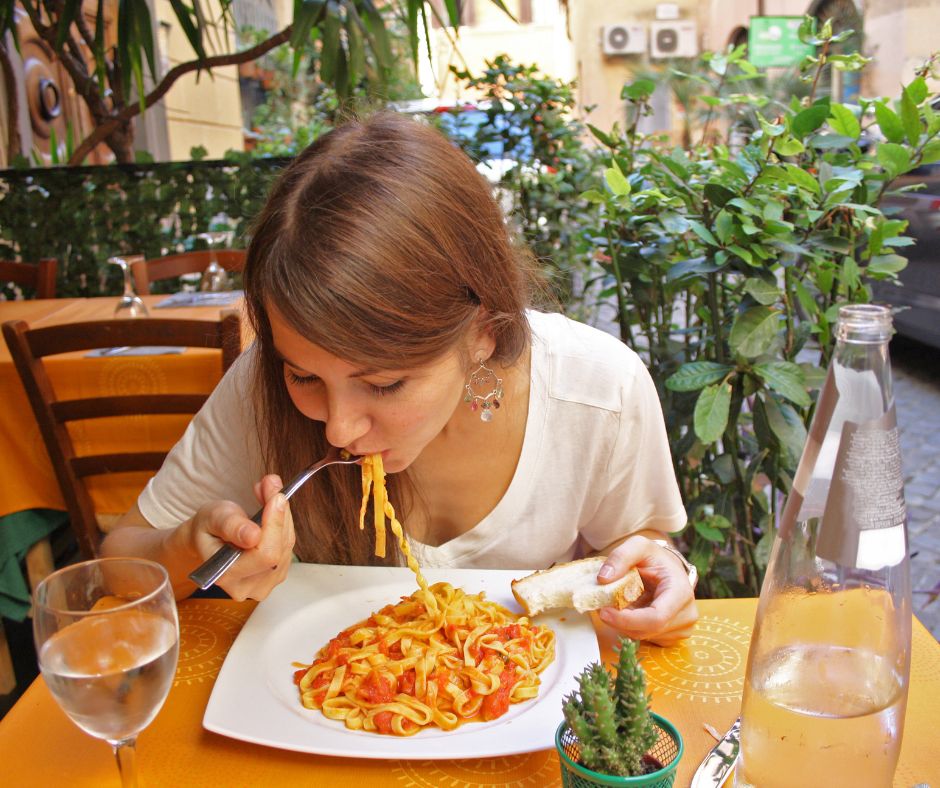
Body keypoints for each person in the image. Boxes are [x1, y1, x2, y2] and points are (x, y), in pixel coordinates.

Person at [101, 112, 698, 645]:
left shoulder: (598, 391)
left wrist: (656, 576)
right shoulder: (258, 388)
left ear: (483, 331)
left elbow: (636, 550)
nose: (337, 427)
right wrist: (187, 549)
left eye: (384, 384)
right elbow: (119, 561)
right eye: (305, 376)